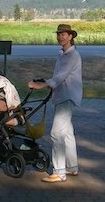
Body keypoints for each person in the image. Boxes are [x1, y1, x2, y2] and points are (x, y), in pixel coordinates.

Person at [28, 23, 82, 183]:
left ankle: (59, 172)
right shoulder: (61, 54)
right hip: (62, 95)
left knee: (56, 133)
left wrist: (41, 85)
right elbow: (57, 75)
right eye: (59, 34)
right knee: (67, 134)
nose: (60, 37)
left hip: (67, 96)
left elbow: (61, 76)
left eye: (64, 34)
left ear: (70, 36)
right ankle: (72, 167)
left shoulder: (72, 55)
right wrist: (45, 80)